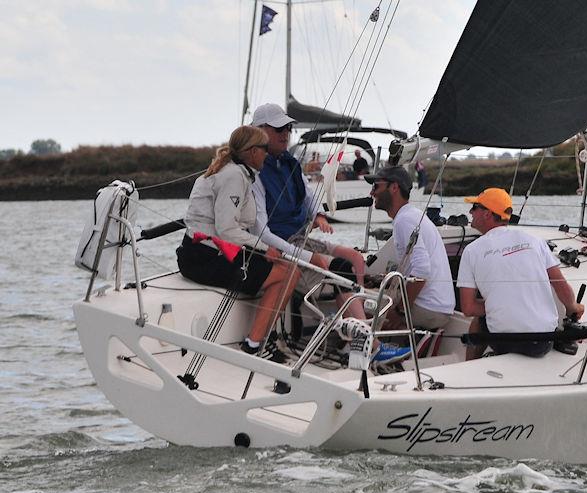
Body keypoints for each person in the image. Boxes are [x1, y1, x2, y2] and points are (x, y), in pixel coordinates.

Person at [249, 102, 410, 365]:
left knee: (349, 262)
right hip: (281, 246)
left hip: (299, 239)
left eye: (288, 128)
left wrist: (319, 215)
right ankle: (369, 345)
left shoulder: (289, 163)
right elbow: (260, 230)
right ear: (259, 130)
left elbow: (309, 195)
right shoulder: (254, 172)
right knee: (341, 271)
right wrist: (307, 255)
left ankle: (361, 341)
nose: (285, 133)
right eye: (278, 128)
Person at [177, 125, 301, 364]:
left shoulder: (237, 172)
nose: (267, 153)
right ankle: (254, 345)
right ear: (253, 151)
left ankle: (261, 338)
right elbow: (227, 230)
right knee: (287, 274)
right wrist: (265, 248)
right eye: (264, 148)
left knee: (289, 269)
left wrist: (263, 249)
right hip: (203, 257)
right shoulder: (234, 176)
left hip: (211, 251)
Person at [456, 188, 584, 360]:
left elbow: (468, 308)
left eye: (475, 207)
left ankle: (470, 367)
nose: (470, 212)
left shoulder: (471, 251)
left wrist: (499, 304)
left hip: (503, 341)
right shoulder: (535, 241)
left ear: (487, 214)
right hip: (542, 342)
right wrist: (573, 308)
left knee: (478, 321)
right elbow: (560, 285)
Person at [366, 166, 455, 330]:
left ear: (394, 187)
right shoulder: (411, 215)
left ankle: (370, 352)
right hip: (439, 307)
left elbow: (421, 270)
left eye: (376, 186)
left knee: (362, 305)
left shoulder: (404, 220)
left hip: (429, 309)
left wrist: (400, 311)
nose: (372, 193)